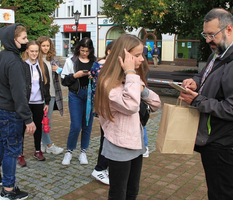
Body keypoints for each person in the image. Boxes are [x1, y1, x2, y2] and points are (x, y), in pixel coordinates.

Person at [180, 8, 233, 200]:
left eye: (211, 34)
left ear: (229, 29)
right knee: (218, 190)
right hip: (216, 136)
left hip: (224, 140)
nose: (208, 40)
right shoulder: (221, 52)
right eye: (205, 34)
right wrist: (196, 81)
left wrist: (197, 100)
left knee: (222, 193)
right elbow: (207, 75)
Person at [94, 34, 161, 199]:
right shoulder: (107, 82)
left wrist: (141, 87)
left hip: (136, 143)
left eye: (142, 54)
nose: (142, 59)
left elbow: (156, 103)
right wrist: (131, 73)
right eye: (137, 55)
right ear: (123, 56)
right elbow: (131, 106)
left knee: (132, 191)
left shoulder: (130, 79)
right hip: (119, 145)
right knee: (118, 193)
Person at [0, 24, 35, 200]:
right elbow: (18, 94)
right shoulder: (14, 61)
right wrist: (28, 119)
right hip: (10, 112)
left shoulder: (2, 56)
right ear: (14, 40)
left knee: (5, 142)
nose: (27, 42)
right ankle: (8, 190)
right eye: (24, 39)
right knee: (12, 149)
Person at [61, 37, 96, 165]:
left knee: (87, 124)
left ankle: (83, 152)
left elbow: (100, 77)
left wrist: (93, 76)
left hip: (90, 94)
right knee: (76, 125)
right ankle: (69, 151)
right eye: (82, 50)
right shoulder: (71, 60)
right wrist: (76, 75)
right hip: (75, 94)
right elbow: (64, 80)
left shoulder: (94, 62)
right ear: (78, 48)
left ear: (91, 51)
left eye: (87, 51)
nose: (84, 53)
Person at [18, 40, 50, 166]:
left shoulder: (42, 65)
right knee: (21, 128)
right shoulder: (22, 65)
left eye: (36, 51)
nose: (34, 53)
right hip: (26, 102)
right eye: (32, 51)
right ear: (27, 50)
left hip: (39, 101)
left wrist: (46, 101)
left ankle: (37, 150)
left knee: (37, 127)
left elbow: (46, 84)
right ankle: (19, 153)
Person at [90, 40, 115, 185]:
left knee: (107, 136)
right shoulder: (103, 65)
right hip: (105, 106)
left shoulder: (100, 64)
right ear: (109, 51)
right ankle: (100, 168)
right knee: (107, 137)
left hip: (103, 106)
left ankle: (102, 167)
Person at [37, 36, 64, 155]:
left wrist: (58, 70)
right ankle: (47, 144)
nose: (45, 48)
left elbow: (64, 73)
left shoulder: (53, 59)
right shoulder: (36, 59)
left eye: (47, 45)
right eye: (43, 45)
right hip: (39, 94)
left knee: (47, 120)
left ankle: (44, 142)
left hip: (52, 93)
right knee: (43, 120)